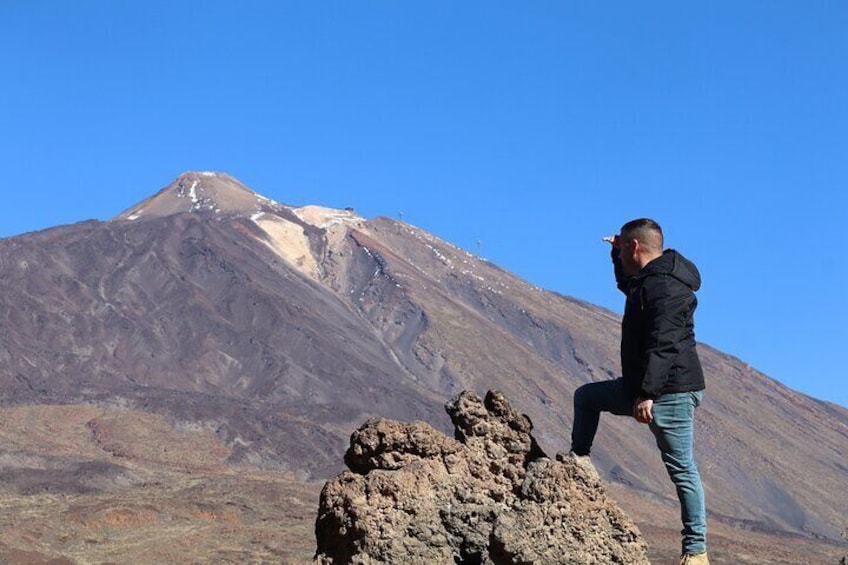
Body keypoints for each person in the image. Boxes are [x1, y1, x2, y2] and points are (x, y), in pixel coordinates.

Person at [570, 218, 708, 565]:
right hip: (641, 387)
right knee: (587, 398)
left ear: (635, 247)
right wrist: (615, 255)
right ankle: (577, 467)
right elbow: (628, 283)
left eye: (624, 251)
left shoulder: (667, 288)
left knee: (681, 468)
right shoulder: (647, 282)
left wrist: (648, 394)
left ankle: (696, 551)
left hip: (671, 390)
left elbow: (666, 343)